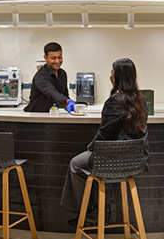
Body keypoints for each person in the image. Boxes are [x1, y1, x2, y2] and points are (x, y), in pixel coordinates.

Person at [61, 58, 149, 220]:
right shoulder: (141, 100)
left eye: (112, 72)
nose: (110, 75)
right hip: (135, 160)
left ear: (117, 77)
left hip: (111, 159)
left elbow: (104, 134)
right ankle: (94, 207)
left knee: (75, 164)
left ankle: (83, 210)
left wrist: (90, 147)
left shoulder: (114, 102)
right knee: (89, 165)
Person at [24, 42, 76, 113]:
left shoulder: (62, 74)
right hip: (35, 115)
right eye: (53, 58)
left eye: (60, 57)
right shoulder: (41, 76)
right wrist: (67, 101)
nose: (57, 61)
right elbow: (52, 93)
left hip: (50, 114)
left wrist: (68, 104)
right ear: (45, 58)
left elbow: (64, 95)